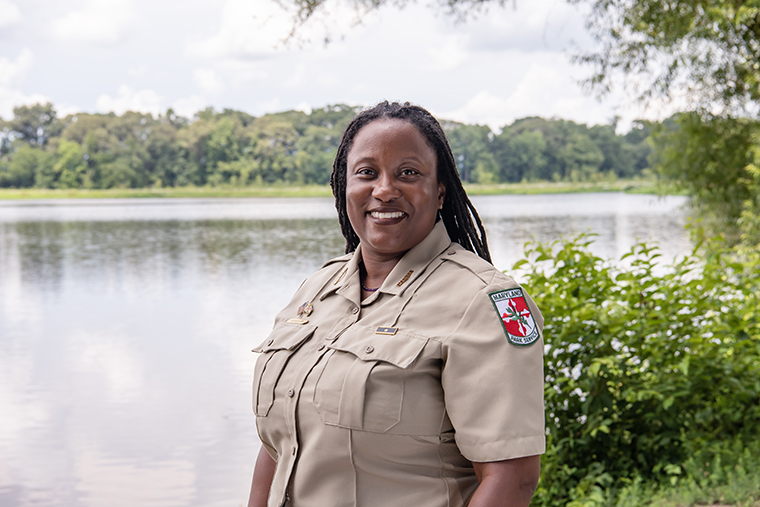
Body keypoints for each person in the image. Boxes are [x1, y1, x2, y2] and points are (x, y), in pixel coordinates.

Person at [248, 101, 545, 507]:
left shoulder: (483, 302)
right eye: (367, 173)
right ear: (343, 187)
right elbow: (280, 446)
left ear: (440, 191)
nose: (384, 190)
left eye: (409, 173)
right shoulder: (316, 289)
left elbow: (511, 479)